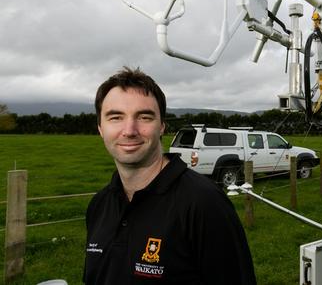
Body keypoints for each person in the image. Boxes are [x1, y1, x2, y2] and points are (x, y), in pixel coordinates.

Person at [84, 67, 256, 284]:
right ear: (100, 127)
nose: (129, 130)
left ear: (162, 126)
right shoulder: (98, 205)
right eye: (115, 117)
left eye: (144, 117)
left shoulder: (204, 203)